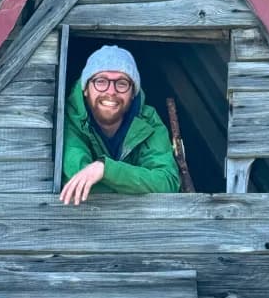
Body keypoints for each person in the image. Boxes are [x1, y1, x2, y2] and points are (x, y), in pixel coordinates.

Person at [59, 45, 180, 204]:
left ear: (133, 93)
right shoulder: (68, 119)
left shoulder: (148, 121)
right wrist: (139, 185)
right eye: (101, 81)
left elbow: (167, 183)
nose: (111, 91)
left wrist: (105, 169)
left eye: (122, 83)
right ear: (85, 89)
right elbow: (77, 179)